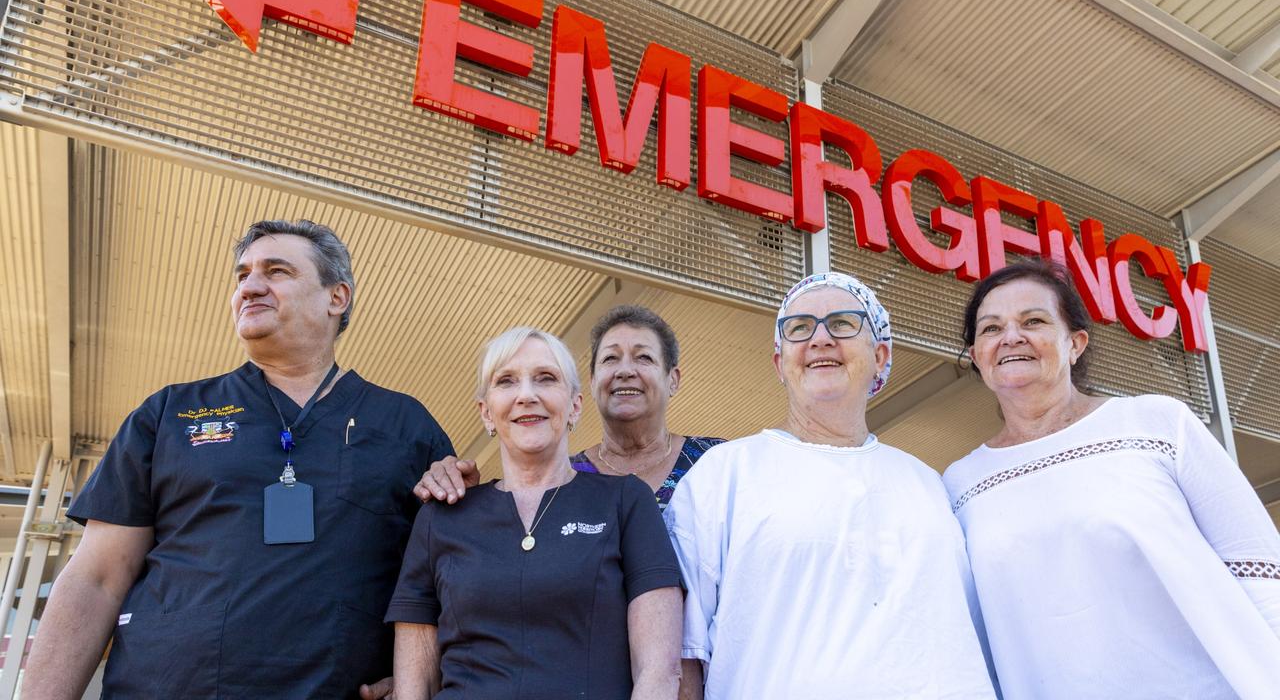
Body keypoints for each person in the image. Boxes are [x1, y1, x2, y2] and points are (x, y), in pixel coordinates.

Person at [23, 220, 454, 699]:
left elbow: (446, 587)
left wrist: (422, 682)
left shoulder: (406, 426)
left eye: (276, 271)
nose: (250, 286)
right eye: (242, 274)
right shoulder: (169, 413)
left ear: (337, 297)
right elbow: (96, 579)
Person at [943, 259, 1280, 699]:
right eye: (990, 329)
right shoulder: (958, 484)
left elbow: (1260, 570)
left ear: (1075, 343)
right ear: (975, 356)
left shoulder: (1157, 423)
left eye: (1034, 320)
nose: (1011, 337)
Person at [666, 272, 998, 700]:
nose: (820, 339)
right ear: (779, 362)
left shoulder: (929, 482)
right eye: (799, 328)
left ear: (880, 356)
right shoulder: (725, 474)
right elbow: (682, 655)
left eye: (842, 324)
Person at [386, 327, 682, 699]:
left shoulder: (626, 502)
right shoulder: (439, 519)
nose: (526, 395)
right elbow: (414, 686)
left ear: (574, 405)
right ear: (486, 412)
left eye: (546, 379)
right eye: (506, 382)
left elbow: (659, 672)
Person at [416, 305, 723, 510]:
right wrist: (462, 496)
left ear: (673, 379)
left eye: (643, 357)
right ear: (589, 383)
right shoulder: (560, 480)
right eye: (610, 359)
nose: (625, 370)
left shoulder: (719, 463)